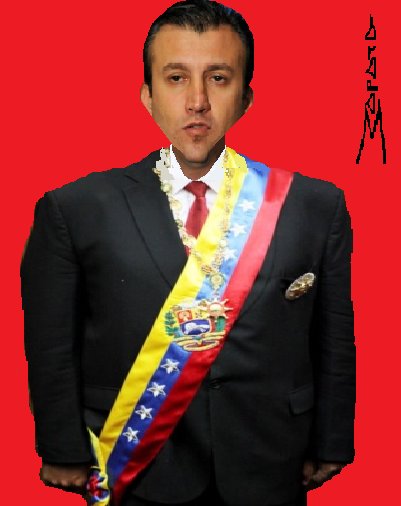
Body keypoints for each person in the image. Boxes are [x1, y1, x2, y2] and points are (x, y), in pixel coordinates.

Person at [20, 1, 356, 505]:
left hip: (271, 458)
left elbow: (333, 336)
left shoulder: (313, 205)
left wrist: (332, 440)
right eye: (176, 78)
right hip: (136, 463)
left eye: (218, 78)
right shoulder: (74, 208)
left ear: (245, 96)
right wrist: (61, 446)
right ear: (147, 94)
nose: (197, 101)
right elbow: (52, 343)